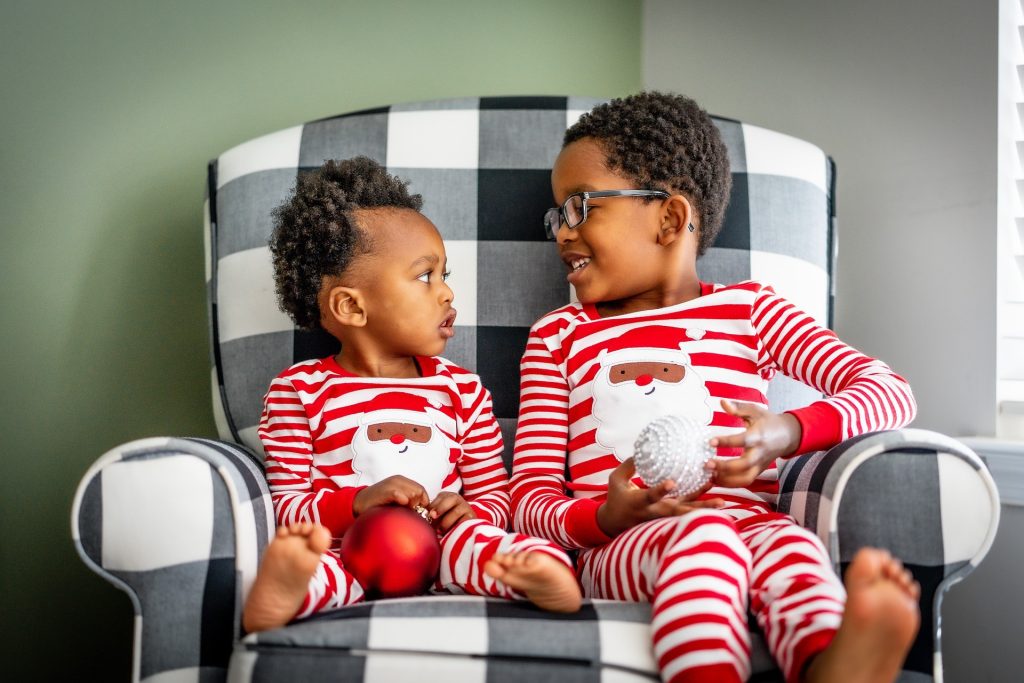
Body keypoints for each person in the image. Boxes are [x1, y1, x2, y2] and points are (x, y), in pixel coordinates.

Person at [510, 92, 921, 683]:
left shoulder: (750, 312)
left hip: (750, 521)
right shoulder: (559, 337)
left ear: (670, 218)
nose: (560, 233)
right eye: (557, 215)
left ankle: (832, 662)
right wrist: (603, 516)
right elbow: (531, 497)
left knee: (793, 550)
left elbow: (888, 390)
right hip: (623, 545)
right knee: (704, 537)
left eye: (579, 207)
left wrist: (787, 430)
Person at [242, 156, 581, 633]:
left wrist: (469, 511)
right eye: (426, 277)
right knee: (320, 567)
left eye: (445, 276)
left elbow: (494, 500)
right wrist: (357, 503)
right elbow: (288, 505)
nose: (446, 294)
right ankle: (289, 591)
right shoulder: (299, 391)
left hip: (444, 549)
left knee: (494, 548)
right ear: (352, 306)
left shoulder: (461, 390)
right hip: (350, 554)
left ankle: (540, 573)